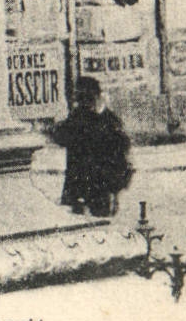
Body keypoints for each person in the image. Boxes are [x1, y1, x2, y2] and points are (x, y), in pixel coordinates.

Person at [50, 76, 133, 217]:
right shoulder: (104, 119)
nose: (82, 102)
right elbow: (123, 157)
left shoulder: (87, 119)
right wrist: (116, 191)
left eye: (84, 97)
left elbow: (59, 136)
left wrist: (115, 191)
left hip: (92, 189)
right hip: (91, 189)